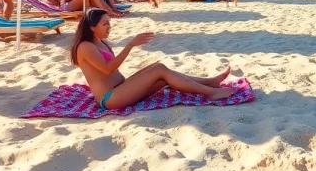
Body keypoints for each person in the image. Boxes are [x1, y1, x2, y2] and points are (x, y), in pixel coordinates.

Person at [70, 9, 236, 110]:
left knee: (160, 70)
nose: (109, 27)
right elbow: (107, 69)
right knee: (160, 69)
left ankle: (209, 82)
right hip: (110, 98)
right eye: (105, 24)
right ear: (92, 27)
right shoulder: (85, 47)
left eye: (109, 23)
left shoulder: (98, 41)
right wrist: (130, 45)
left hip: (121, 88)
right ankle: (211, 93)